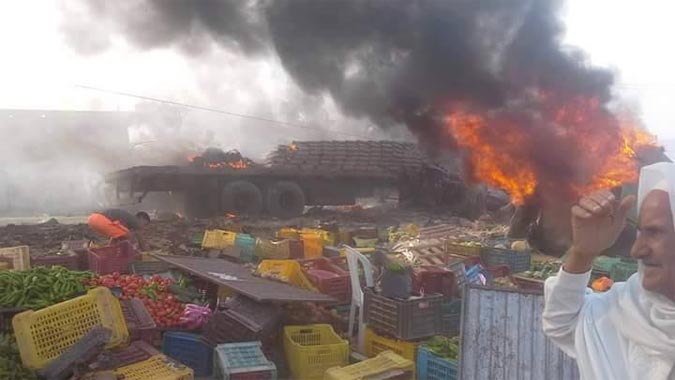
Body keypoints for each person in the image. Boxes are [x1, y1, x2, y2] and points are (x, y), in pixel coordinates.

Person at [543, 162, 675, 380]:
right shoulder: (628, 308)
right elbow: (561, 324)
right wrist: (583, 253)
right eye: (640, 232)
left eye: (654, 232)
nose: (637, 250)